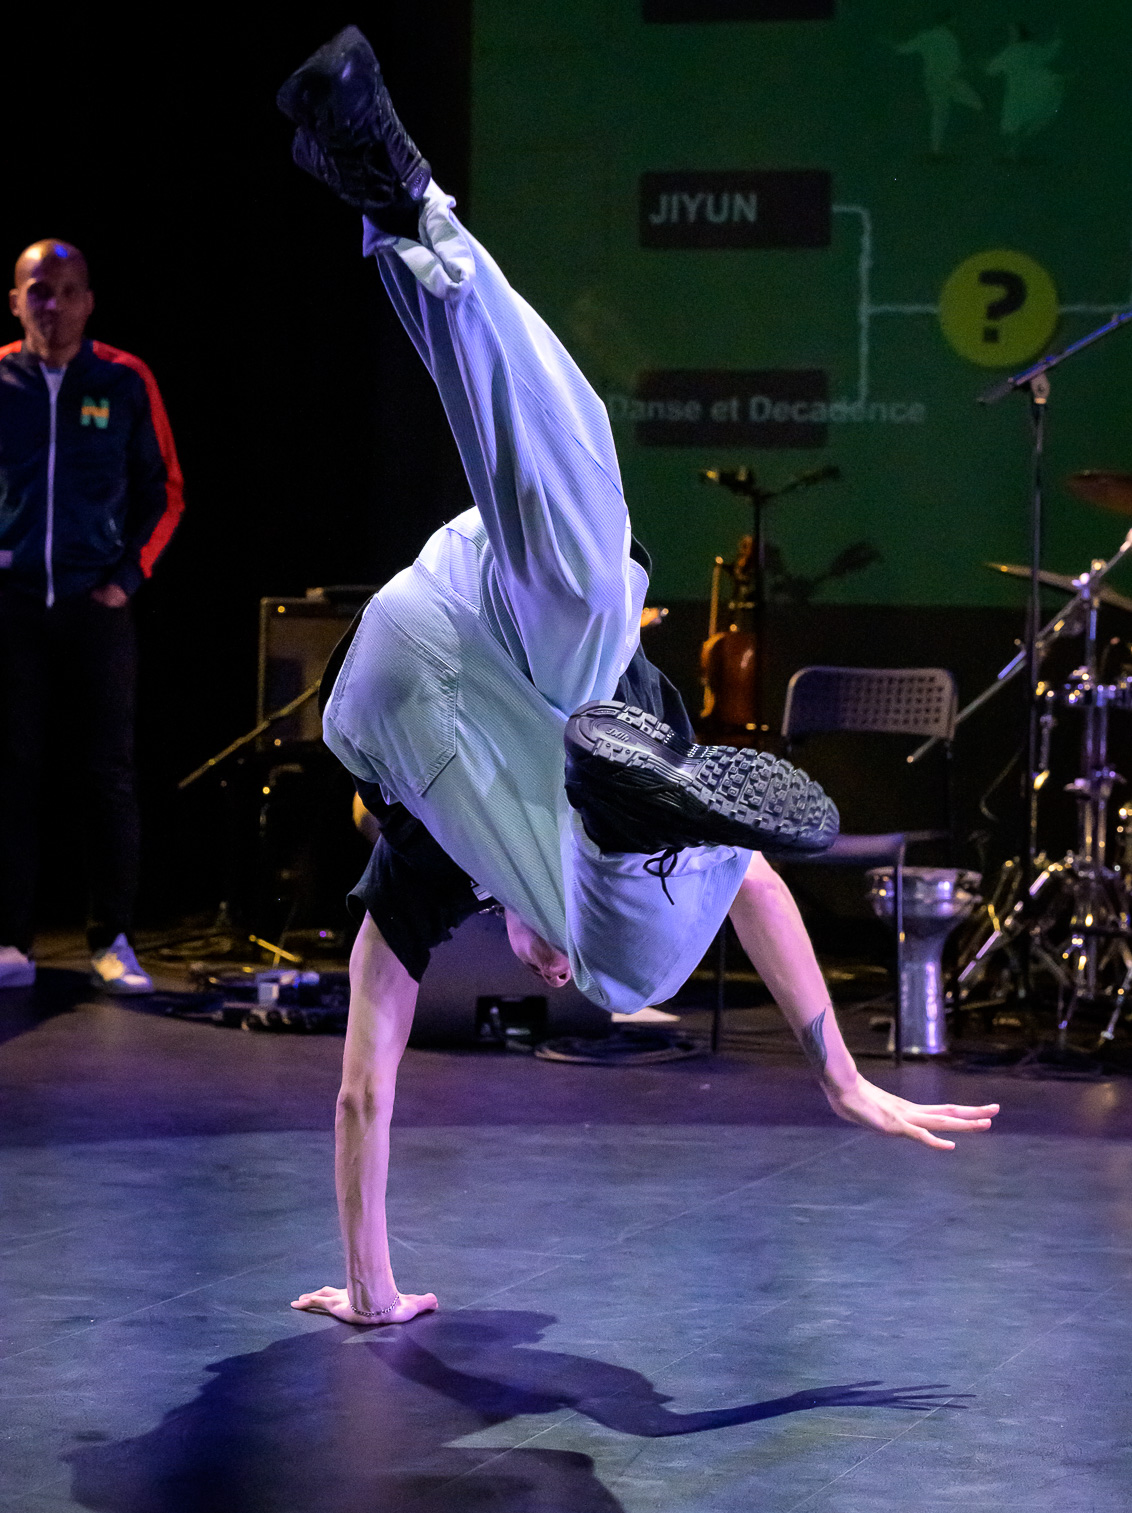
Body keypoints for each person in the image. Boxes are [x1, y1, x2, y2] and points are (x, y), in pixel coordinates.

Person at [276, 29, 998, 1329]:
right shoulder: (622, 700)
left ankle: (409, 211)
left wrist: (376, 1290)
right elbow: (755, 877)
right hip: (460, 665)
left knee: (582, 552)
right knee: (620, 941)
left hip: (416, 657)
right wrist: (837, 1075)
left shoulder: (426, 869)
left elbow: (363, 1088)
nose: (530, 973)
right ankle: (604, 846)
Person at [0, 240, 184, 992]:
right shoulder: (1, 378)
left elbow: (166, 489)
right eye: (39, 290)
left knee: (106, 776)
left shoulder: (124, 379)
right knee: (11, 776)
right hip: (12, 609)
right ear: (16, 300)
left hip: (95, 607)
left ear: (89, 301)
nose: (54, 304)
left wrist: (126, 579)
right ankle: (11, 941)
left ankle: (112, 940)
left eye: (69, 290)